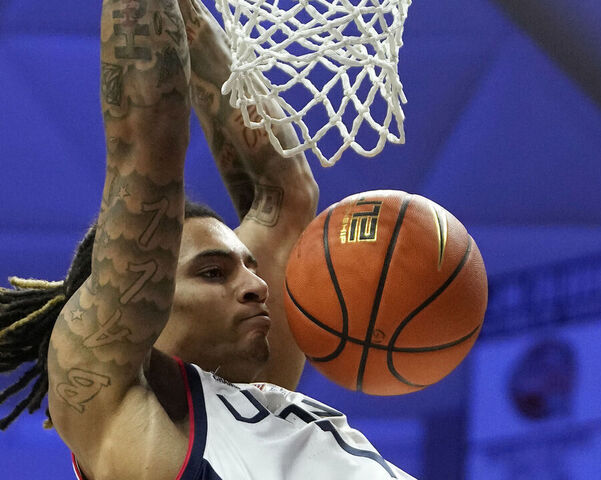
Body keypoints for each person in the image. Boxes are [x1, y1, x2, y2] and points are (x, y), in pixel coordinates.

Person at [0, 0, 416, 478]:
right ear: (139, 304)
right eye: (213, 272)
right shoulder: (133, 419)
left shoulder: (256, 391)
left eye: (250, 267)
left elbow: (288, 190)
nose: (257, 286)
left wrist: (186, 12)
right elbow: (148, 140)